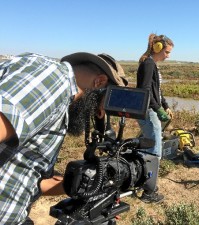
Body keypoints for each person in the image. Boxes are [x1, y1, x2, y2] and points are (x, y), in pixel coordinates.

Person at [0, 52, 127, 224]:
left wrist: (86, 183)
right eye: (108, 101)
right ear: (100, 82)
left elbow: (31, 180)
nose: (100, 112)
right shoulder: (53, 82)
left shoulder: (56, 96)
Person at [136, 33, 174, 203]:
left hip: (151, 110)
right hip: (148, 111)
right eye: (167, 52)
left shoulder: (152, 64)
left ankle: (143, 182)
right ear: (157, 48)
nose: (168, 56)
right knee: (154, 152)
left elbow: (157, 90)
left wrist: (164, 104)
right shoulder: (148, 63)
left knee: (148, 148)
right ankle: (148, 192)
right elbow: (144, 90)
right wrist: (157, 109)